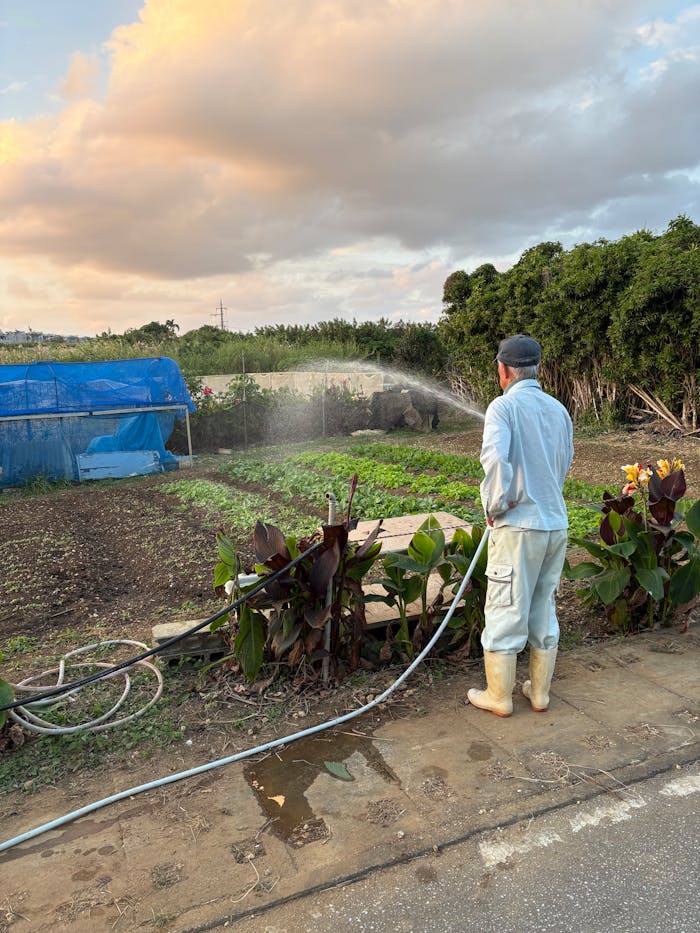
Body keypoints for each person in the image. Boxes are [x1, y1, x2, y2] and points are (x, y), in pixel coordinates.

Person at [467, 334, 574, 717]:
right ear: (537, 369)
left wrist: (496, 504)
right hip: (554, 524)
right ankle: (539, 693)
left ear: (504, 370)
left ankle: (499, 697)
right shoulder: (558, 409)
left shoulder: (503, 408)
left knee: (505, 608)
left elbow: (495, 460)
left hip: (518, 527)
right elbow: (563, 462)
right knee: (543, 606)